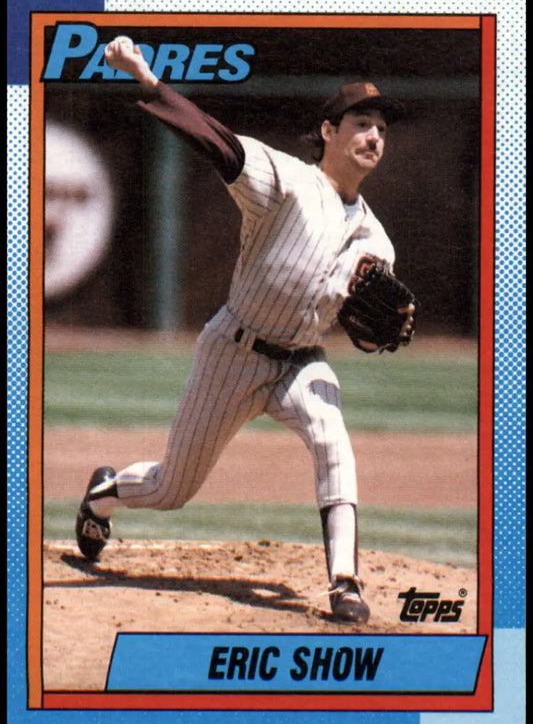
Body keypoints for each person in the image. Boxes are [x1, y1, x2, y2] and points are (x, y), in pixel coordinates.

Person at [75, 37, 413, 624]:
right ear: (329, 132)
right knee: (169, 488)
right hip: (233, 353)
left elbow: (365, 298)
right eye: (362, 123)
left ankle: (345, 583)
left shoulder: (378, 240)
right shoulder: (284, 180)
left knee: (334, 440)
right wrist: (149, 80)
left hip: (301, 362)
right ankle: (103, 494)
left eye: (381, 128)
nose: (374, 137)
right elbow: (216, 142)